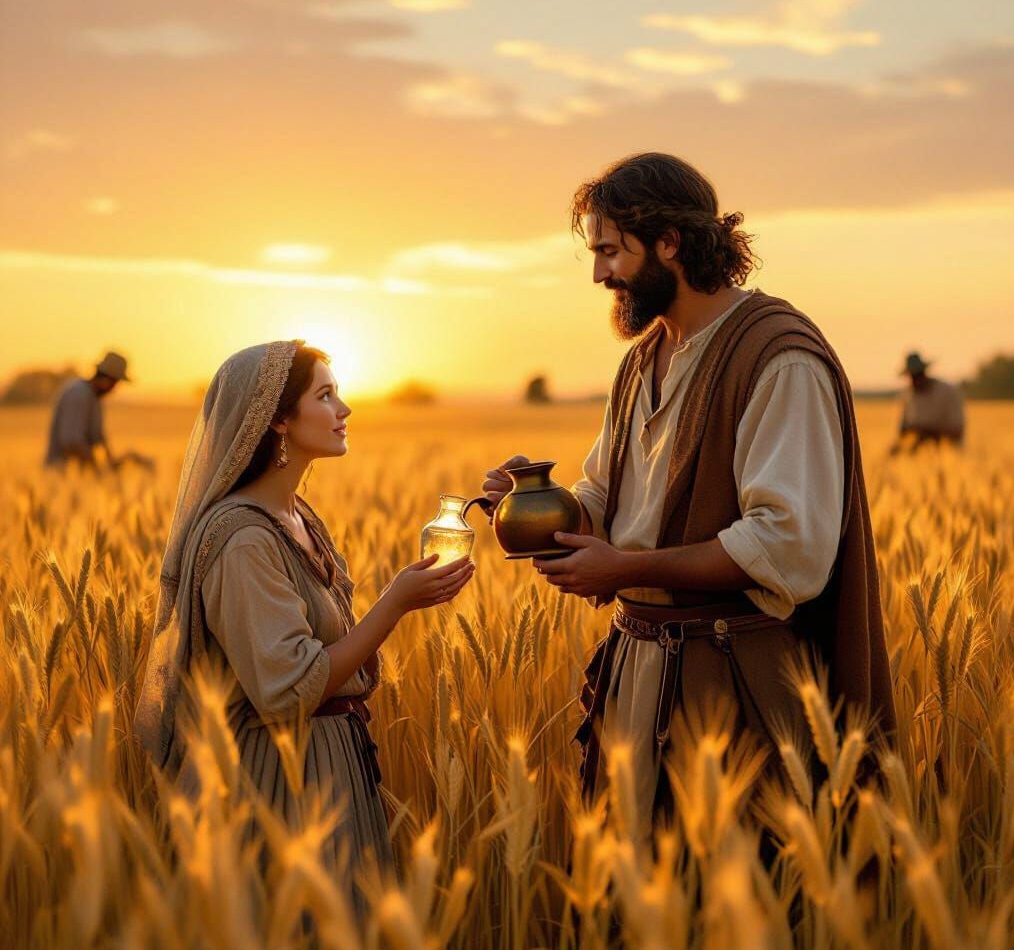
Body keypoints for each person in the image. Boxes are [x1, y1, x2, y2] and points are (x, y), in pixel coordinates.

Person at [483, 153, 895, 835]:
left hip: (731, 685)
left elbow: (788, 546)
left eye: (611, 251)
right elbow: (608, 500)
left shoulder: (777, 357)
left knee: (736, 909)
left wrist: (629, 569)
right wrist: (536, 504)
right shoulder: (644, 358)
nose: (598, 274)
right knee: (634, 914)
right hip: (634, 676)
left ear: (669, 243)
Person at [135, 341, 474, 904]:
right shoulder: (243, 540)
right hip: (276, 789)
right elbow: (289, 690)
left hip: (332, 772)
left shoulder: (296, 518)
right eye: (325, 395)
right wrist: (395, 602)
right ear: (277, 421)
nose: (344, 410)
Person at [44, 351, 153, 469]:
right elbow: (71, 442)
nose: (114, 388)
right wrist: (97, 468)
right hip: (61, 472)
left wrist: (113, 463)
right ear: (106, 379)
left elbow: (99, 437)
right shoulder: (79, 395)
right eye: (114, 383)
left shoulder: (93, 398)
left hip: (78, 478)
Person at [892, 351, 965, 452]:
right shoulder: (907, 396)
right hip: (916, 457)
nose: (915, 380)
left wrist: (927, 434)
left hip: (949, 455)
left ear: (924, 372)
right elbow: (902, 432)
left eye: (918, 375)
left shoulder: (948, 392)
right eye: (912, 376)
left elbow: (957, 432)